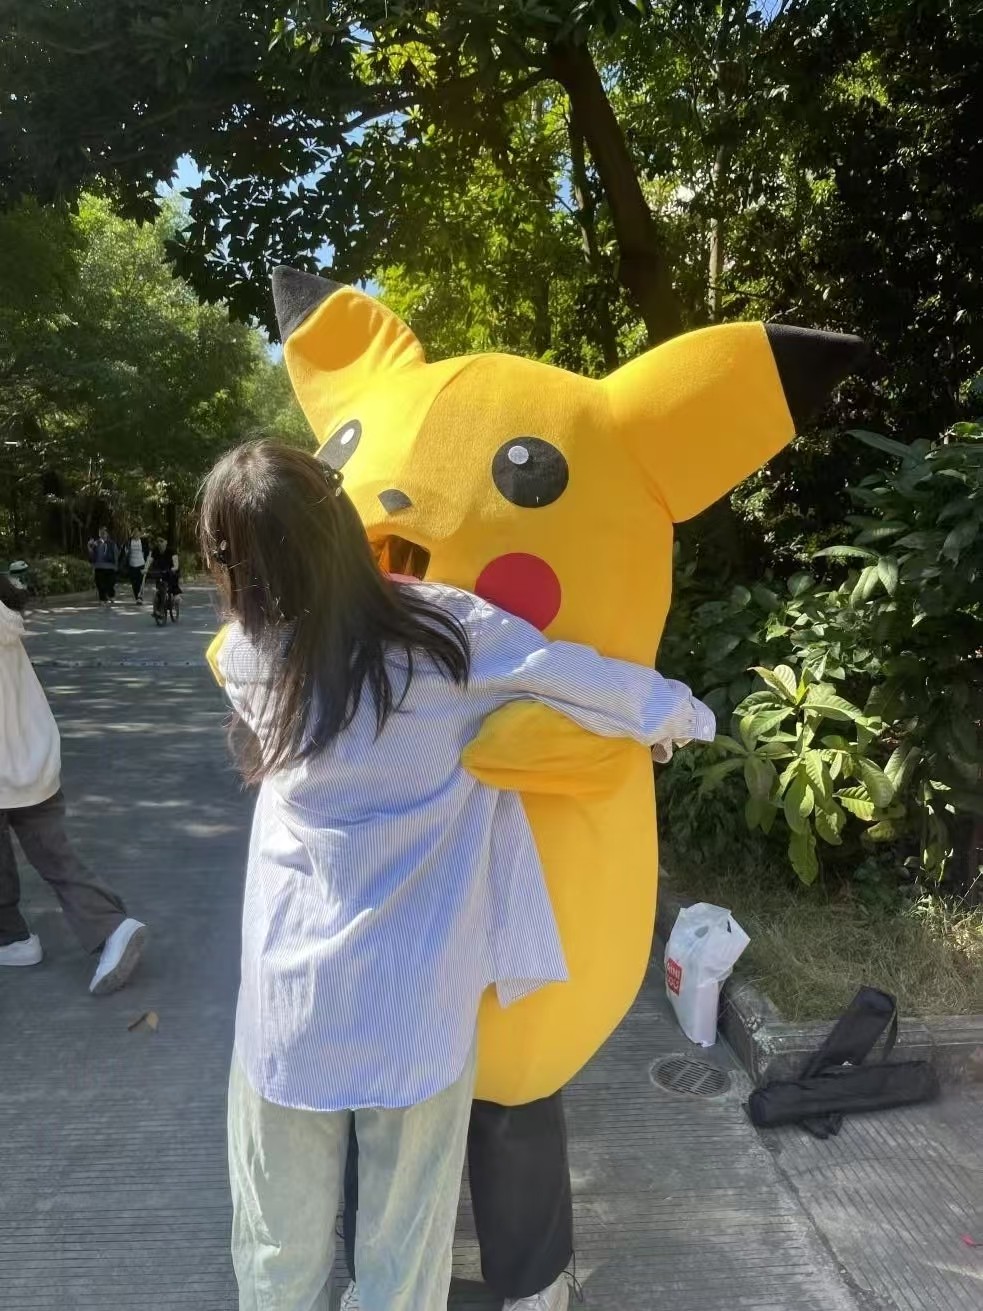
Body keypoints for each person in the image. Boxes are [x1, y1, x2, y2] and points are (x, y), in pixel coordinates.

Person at [199, 441, 714, 1311]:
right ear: (342, 519)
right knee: (403, 1255)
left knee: (277, 1250)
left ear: (232, 566)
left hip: (289, 1010)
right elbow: (588, 683)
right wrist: (685, 719)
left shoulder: (251, 657)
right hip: (413, 1007)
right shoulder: (447, 637)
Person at [0, 574, 148, 990]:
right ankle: (111, 927)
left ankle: (12, 938)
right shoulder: (5, 616)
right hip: (33, 757)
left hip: (6, 763)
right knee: (55, 857)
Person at [88, 526, 118, 606]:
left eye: (104, 532)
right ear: (99, 534)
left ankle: (111, 594)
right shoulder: (95, 543)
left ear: (107, 534)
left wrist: (116, 566)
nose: (102, 534)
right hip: (99, 566)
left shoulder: (112, 543)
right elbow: (92, 555)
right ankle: (102, 599)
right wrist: (90, 547)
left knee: (110, 584)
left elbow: (116, 554)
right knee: (100, 584)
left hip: (110, 567)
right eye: (101, 532)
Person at [124, 529, 150, 603]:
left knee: (141, 581)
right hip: (132, 564)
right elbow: (125, 551)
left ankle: (140, 596)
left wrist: (147, 562)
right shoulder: (129, 541)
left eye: (138, 533)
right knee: (134, 582)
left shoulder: (143, 541)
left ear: (140, 534)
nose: (136, 534)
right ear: (132, 534)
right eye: (134, 533)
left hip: (141, 563)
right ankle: (137, 596)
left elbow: (147, 552)